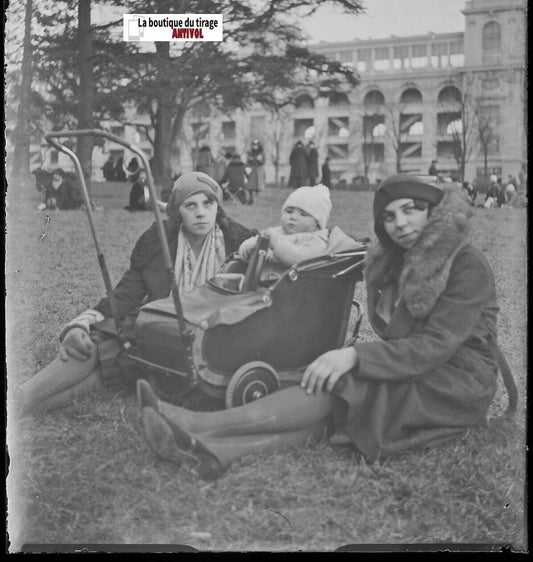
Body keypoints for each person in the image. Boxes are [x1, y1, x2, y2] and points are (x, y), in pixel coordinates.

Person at [138, 173, 510, 479]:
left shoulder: (466, 263)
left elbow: (434, 347)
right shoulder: (403, 261)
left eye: (410, 211)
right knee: (339, 408)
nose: (400, 224)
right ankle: (214, 450)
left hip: (457, 381)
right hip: (418, 369)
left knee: (343, 383)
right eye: (389, 217)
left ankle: (198, 424)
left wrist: (353, 355)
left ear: (434, 212)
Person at [19, 172, 257, 413]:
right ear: (177, 211)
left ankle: (19, 405)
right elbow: (125, 295)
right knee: (91, 344)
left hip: (204, 340)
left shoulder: (239, 243)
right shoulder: (158, 241)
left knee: (108, 368)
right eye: (190, 205)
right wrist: (83, 323)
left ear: (218, 206)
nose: (200, 212)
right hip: (155, 326)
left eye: (208, 203)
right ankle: (19, 399)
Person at [238, 184, 331, 268]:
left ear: (317, 224)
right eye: (289, 211)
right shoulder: (277, 231)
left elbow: (302, 259)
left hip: (294, 284)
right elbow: (254, 240)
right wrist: (249, 248)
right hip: (262, 279)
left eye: (303, 214)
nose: (293, 217)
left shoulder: (316, 240)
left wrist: (277, 245)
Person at [244, 140, 265, 205]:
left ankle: (256, 199)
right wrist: (250, 160)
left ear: (258, 145)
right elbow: (247, 161)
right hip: (251, 169)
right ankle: (251, 197)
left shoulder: (261, 152)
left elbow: (263, 161)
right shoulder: (249, 152)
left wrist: (259, 161)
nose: (255, 146)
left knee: (258, 185)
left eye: (256, 145)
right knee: (250, 185)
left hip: (258, 169)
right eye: (253, 145)